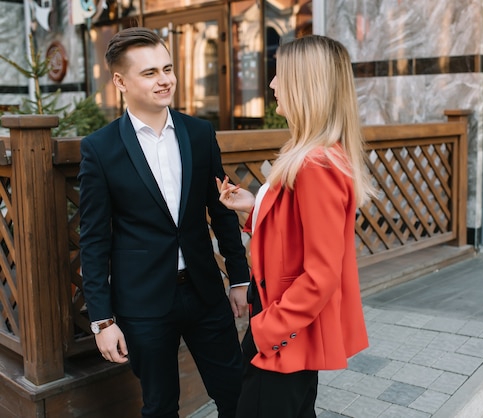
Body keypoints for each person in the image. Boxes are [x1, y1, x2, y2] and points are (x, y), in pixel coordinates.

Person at [78, 27, 249, 418]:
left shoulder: (199, 133)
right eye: (150, 72)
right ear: (120, 81)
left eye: (168, 68)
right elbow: (93, 239)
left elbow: (222, 209)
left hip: (206, 293)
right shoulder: (100, 149)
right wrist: (102, 321)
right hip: (143, 303)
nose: (165, 80)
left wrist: (239, 278)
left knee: (237, 395)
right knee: (159, 407)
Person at [217, 34, 374, 418]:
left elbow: (321, 274)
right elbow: (297, 234)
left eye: (280, 75)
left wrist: (267, 330)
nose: (271, 84)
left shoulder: (315, 165)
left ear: (307, 85)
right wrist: (254, 208)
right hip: (282, 327)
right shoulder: (310, 153)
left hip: (281, 333)